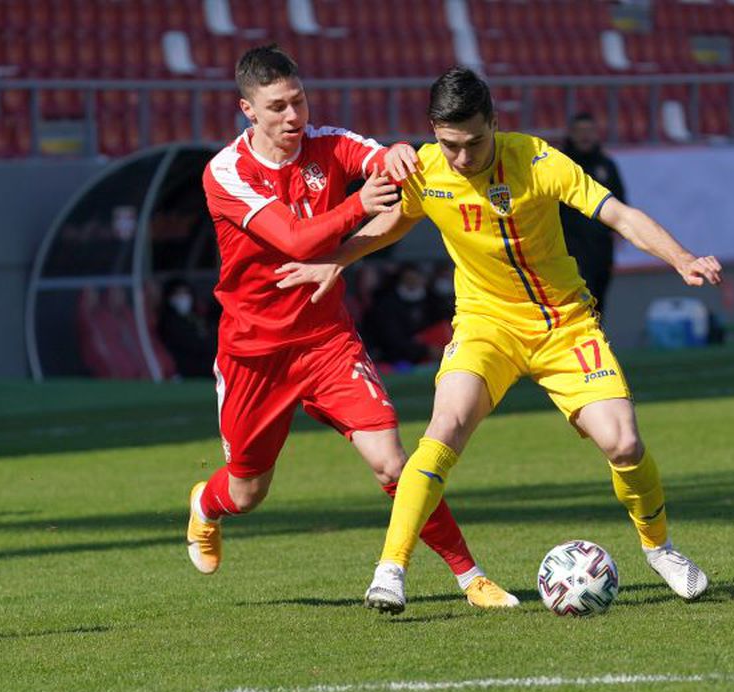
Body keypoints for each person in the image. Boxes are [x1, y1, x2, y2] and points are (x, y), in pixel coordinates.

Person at [275, 67, 724, 615]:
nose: (461, 158)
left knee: (624, 443)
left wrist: (681, 258)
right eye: (449, 145)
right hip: (486, 326)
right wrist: (336, 260)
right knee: (444, 429)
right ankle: (390, 570)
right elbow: (393, 222)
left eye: (473, 142)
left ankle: (661, 550)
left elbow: (619, 214)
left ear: (494, 121)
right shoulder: (427, 168)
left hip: (566, 325)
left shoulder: (537, 161)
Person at [191, 46, 517, 609]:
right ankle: (206, 505)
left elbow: (379, 157)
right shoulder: (225, 172)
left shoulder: (329, 143)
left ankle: (470, 577)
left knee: (394, 461)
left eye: (299, 101)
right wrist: (358, 206)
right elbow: (295, 240)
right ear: (247, 110)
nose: (293, 117)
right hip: (254, 354)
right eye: (277, 108)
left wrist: (394, 156)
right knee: (246, 491)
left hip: (326, 342)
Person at [559, 112, 625, 318]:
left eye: (589, 131)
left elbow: (620, 202)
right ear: (571, 134)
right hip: (568, 247)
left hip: (600, 247)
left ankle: (596, 344)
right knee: (576, 303)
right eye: (580, 132)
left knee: (599, 300)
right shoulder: (559, 165)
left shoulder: (606, 165)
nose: (585, 136)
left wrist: (617, 231)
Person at [158, 278, 217, 378]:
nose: (183, 297)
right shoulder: (168, 322)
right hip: (187, 369)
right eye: (178, 294)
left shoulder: (195, 318)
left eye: (186, 293)